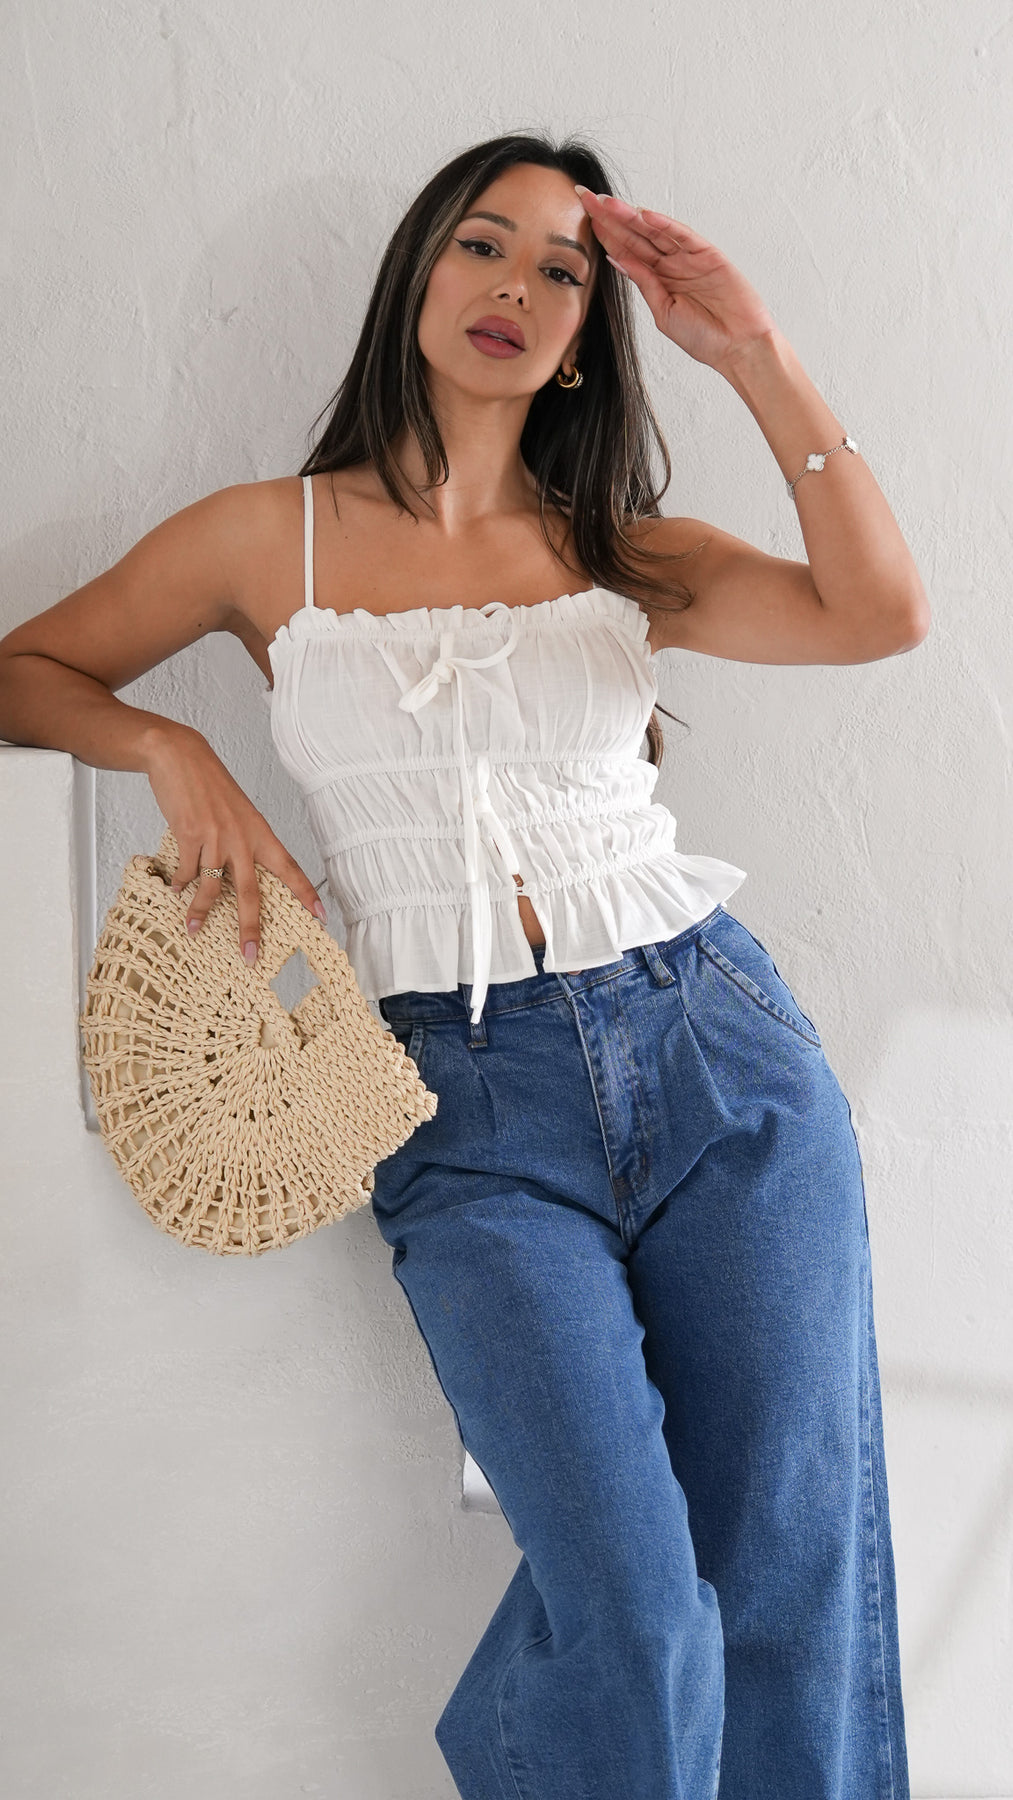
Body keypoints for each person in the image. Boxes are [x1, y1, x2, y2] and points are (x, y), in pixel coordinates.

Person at [0, 131, 928, 1800]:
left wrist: (751, 352)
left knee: (785, 1564)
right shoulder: (264, 540)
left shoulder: (621, 545)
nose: (513, 286)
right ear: (418, 273)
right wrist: (169, 748)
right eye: (482, 244)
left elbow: (877, 614)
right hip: (462, 1100)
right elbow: (27, 669)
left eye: (561, 270)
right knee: (632, 1610)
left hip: (712, 1051)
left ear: (583, 335)